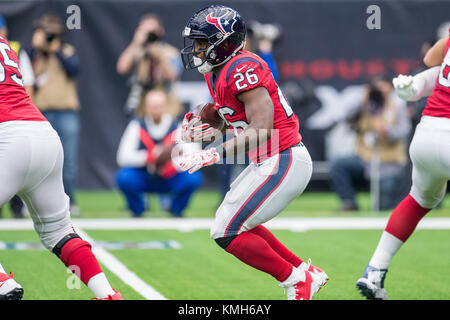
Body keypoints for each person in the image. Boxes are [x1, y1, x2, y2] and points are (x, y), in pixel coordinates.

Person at [178, 5, 328, 300]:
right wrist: (207, 122)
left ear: (225, 43)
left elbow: (261, 128)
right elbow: (231, 115)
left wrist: (214, 152)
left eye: (202, 43)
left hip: (284, 157)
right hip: (268, 159)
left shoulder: (243, 67)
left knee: (226, 230)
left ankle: (295, 280)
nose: (196, 50)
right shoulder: (218, 71)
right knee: (234, 223)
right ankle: (303, 272)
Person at [0, 36, 122, 300]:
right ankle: (107, 295)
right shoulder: (6, 43)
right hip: (43, 133)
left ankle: (2, 283)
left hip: (8, 138)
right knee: (59, 232)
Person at [356, 29, 450, 300]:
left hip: (427, 135)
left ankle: (375, 270)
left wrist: (416, 87)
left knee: (418, 200)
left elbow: (433, 59)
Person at [116, 89, 202, 218]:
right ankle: (138, 209)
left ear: (165, 106)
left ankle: (175, 209)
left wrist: (172, 164)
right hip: (145, 175)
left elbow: (195, 154)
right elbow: (122, 157)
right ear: (146, 107)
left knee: (193, 178)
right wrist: (149, 157)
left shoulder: (178, 126)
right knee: (124, 177)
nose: (155, 109)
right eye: (152, 106)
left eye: (159, 106)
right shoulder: (136, 125)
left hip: (170, 177)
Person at [329, 77, 411, 211]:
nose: (380, 92)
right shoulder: (364, 107)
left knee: (383, 207)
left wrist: (385, 131)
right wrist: (362, 102)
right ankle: (349, 202)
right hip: (364, 159)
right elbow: (345, 119)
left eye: (383, 88)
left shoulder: (397, 107)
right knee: (339, 164)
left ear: (390, 88)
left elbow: (403, 131)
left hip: (387, 163)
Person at [26, 14, 80, 215]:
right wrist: (36, 48)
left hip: (66, 112)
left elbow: (73, 70)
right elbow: (24, 73)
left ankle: (70, 200)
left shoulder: (66, 51)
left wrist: (55, 50)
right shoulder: (32, 55)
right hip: (40, 113)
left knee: (68, 161)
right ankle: (34, 204)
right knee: (37, 161)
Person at [0, 15, 35, 219]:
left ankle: (16, 206)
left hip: (10, 119)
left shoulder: (16, 49)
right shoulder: (12, 49)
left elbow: (28, 83)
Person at [117, 13, 183, 118]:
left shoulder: (171, 52)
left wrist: (159, 57)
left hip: (166, 105)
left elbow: (172, 76)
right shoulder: (137, 51)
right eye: (146, 31)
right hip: (142, 106)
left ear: (160, 31)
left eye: (152, 31)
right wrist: (135, 43)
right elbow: (122, 68)